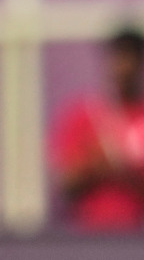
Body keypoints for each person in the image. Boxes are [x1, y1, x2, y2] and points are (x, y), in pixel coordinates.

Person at [50, 26, 144, 232]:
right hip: (90, 234)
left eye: (132, 58)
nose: (125, 67)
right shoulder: (85, 115)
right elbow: (66, 182)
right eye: (119, 57)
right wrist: (95, 165)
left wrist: (122, 169)